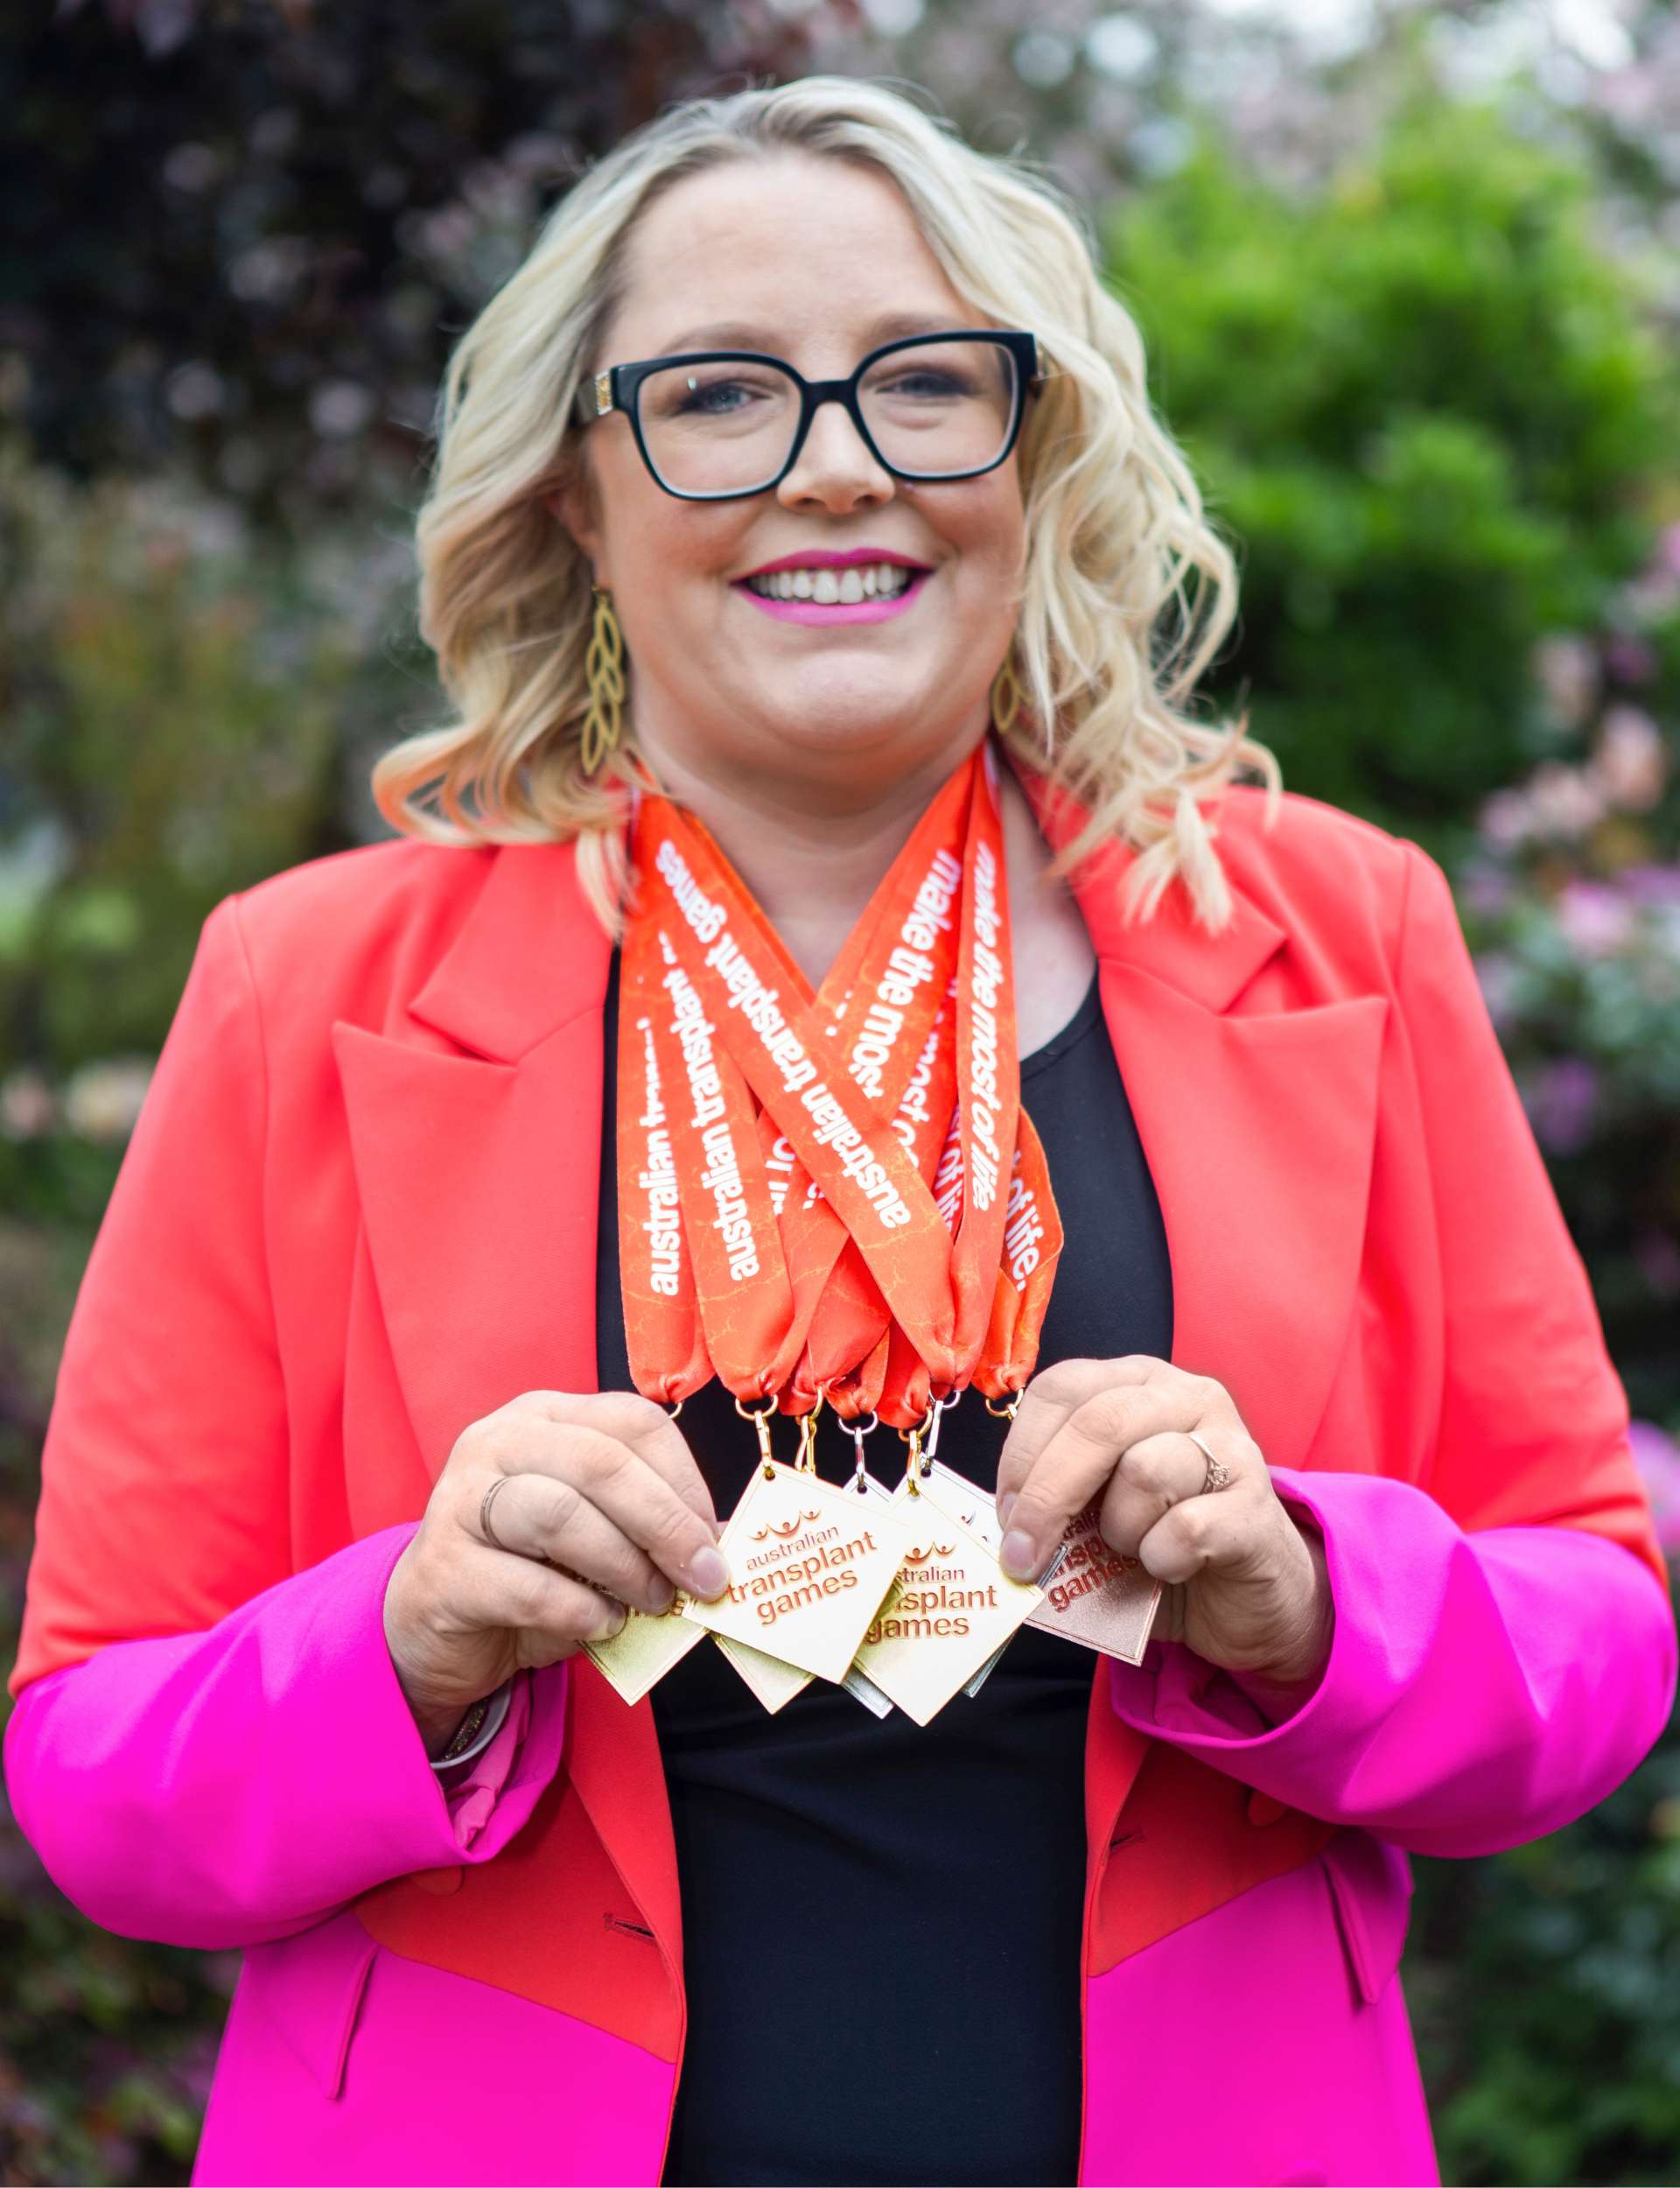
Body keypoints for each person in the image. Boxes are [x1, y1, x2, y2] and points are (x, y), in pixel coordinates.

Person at [4, 74, 1674, 2188]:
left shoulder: (1338, 936)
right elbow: (91, 1762)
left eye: (924, 384)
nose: (837, 470)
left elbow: (1595, 1629)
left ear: (1037, 454)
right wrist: (407, 1639)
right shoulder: (303, 987)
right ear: (576, 497)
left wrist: (1314, 1599)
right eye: (718, 394)